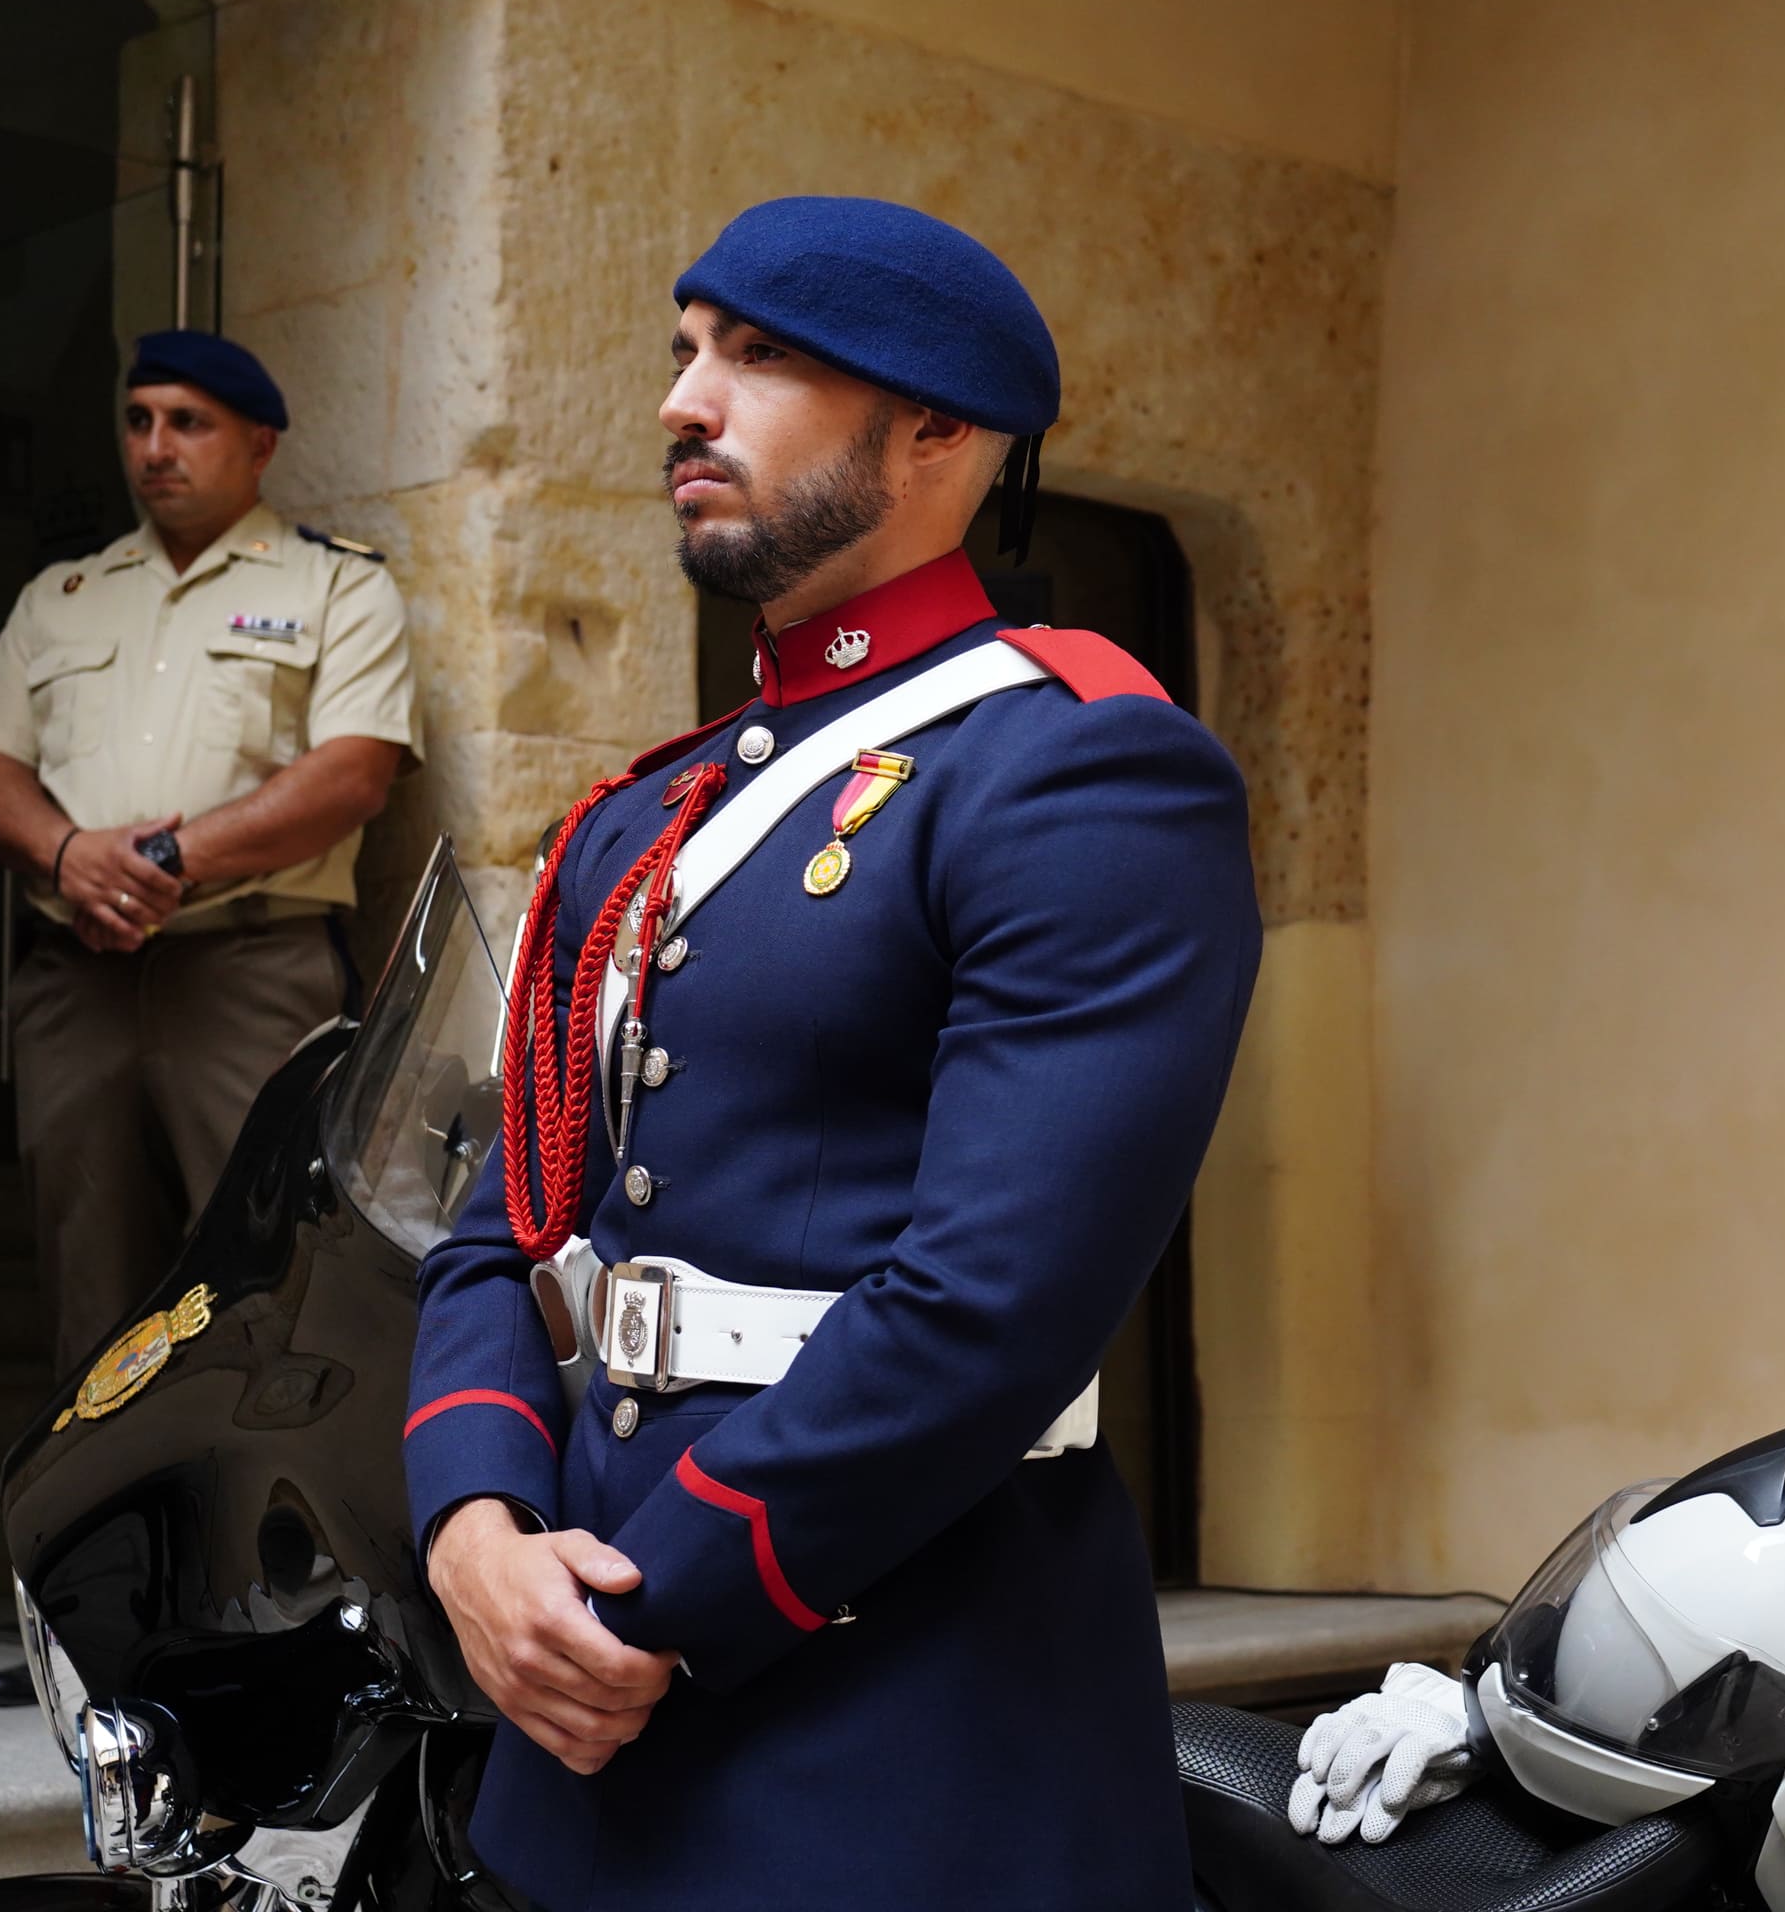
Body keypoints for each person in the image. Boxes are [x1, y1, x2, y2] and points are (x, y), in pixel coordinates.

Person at [401, 197, 1262, 1909]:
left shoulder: (1076, 770)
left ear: (941, 430)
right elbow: (510, 1215)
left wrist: (655, 1612)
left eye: (762, 357)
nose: (684, 403)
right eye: (686, 350)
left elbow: (990, 1305)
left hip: (895, 1742)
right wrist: (474, 1527)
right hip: (570, 1750)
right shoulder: (650, 809)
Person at [0, 328, 418, 1373]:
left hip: (253, 973)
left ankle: (249, 1528)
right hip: (79, 980)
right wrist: (69, 853)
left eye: (187, 422)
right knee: (90, 1291)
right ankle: (98, 1531)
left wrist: (155, 858)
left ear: (258, 445)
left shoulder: (334, 587)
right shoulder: (59, 597)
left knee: (267, 1273)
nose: (155, 445)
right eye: (138, 420)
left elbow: (352, 775)